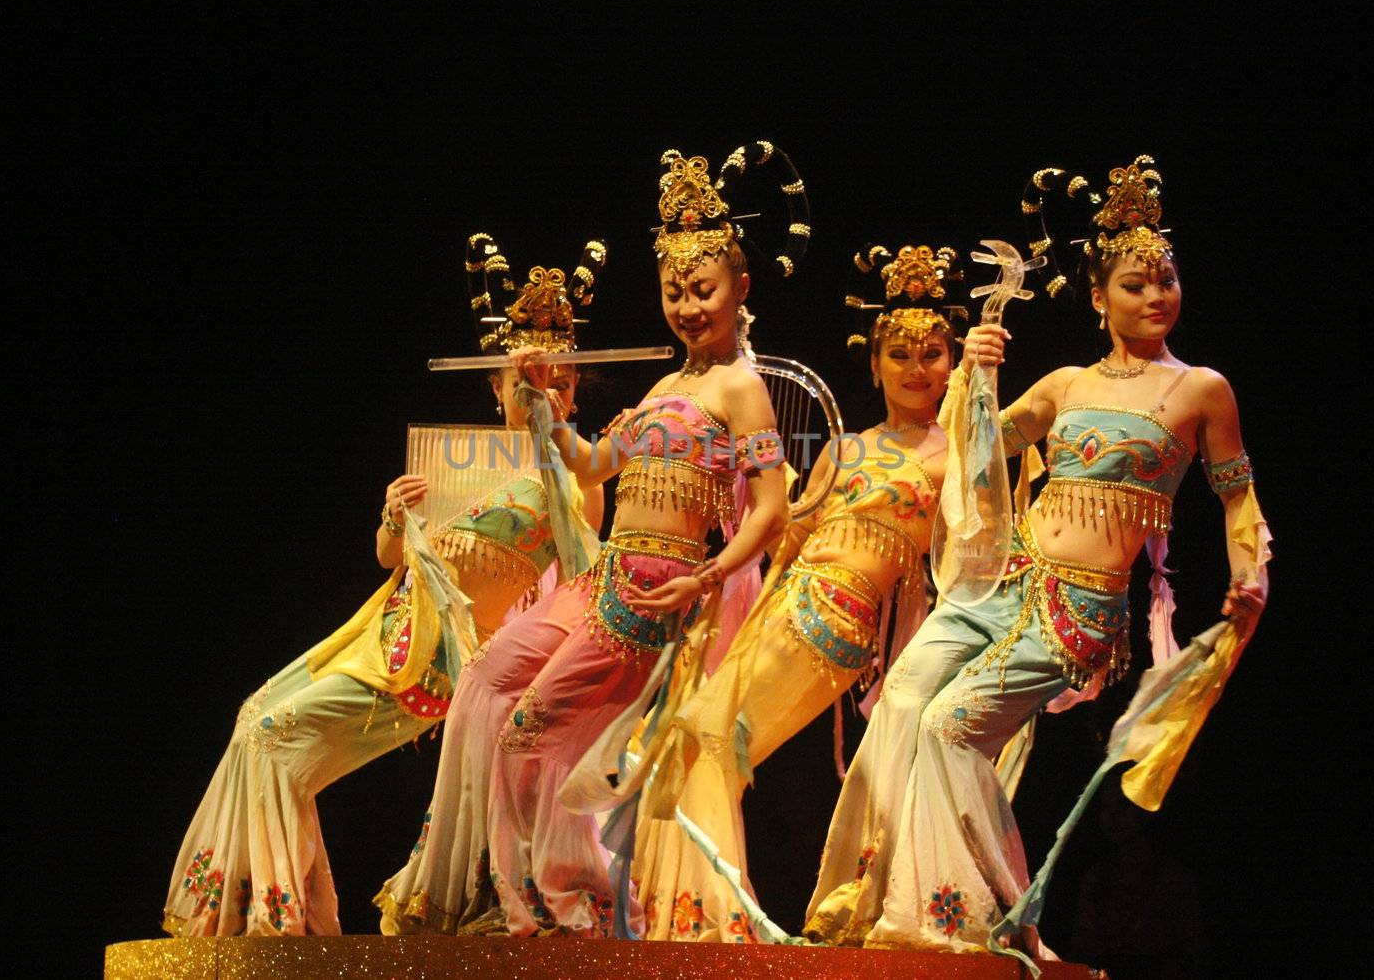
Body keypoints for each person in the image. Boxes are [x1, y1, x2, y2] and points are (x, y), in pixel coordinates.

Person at [803, 156, 1268, 955]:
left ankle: (975, 919)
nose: (1155, 295)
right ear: (1098, 298)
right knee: (904, 699)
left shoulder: (1200, 391)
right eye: (1135, 283)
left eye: (1165, 280)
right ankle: (865, 889)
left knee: (951, 730)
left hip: (1076, 608)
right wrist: (974, 377)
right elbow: (965, 450)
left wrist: (1249, 574)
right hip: (1003, 581)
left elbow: (1238, 498)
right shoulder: (1063, 384)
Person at [376, 143, 806, 938]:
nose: (687, 307)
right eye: (675, 291)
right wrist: (541, 399)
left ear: (740, 289)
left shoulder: (741, 388)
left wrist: (704, 579)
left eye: (703, 290)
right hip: (602, 580)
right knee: (491, 683)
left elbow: (771, 510)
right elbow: (586, 459)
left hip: (653, 591)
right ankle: (529, 892)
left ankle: (551, 902)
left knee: (527, 729)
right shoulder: (662, 387)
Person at [161, 234, 603, 936]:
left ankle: (277, 928)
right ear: (494, 390)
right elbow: (391, 556)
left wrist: (547, 430)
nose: (543, 392)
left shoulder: (574, 480)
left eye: (560, 383)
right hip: (383, 629)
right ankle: (285, 918)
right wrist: (395, 517)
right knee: (253, 719)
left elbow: (582, 568)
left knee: (277, 738)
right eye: (524, 382)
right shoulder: (462, 461)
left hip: (439, 659)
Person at [631, 243, 965, 942]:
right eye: (898, 353)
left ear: (951, 363)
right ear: (873, 362)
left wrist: (983, 390)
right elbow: (786, 532)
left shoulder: (952, 457)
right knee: (678, 740)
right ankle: (673, 918)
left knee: (712, 742)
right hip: (779, 606)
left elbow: (976, 550)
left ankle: (712, 927)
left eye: (932, 352)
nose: (914, 368)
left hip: (836, 622)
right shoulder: (846, 446)